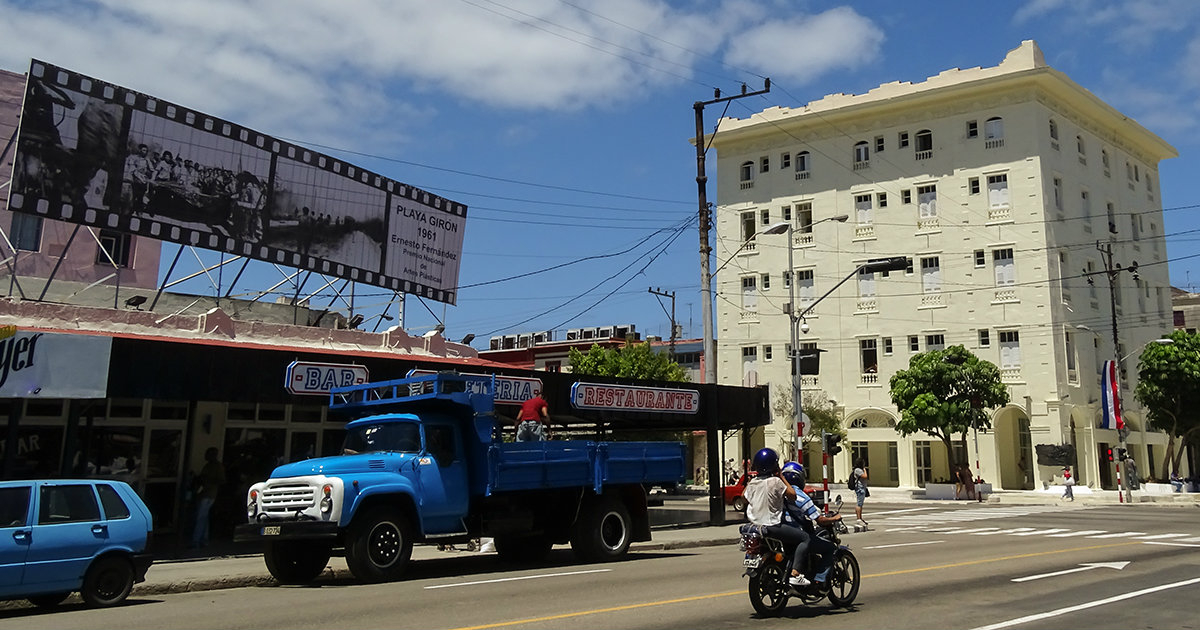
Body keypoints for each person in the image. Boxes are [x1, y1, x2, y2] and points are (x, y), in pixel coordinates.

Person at [742, 448, 810, 588]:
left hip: (755, 527)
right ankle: (795, 574)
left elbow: (743, 497)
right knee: (804, 538)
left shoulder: (754, 483)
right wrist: (781, 476)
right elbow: (792, 495)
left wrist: (752, 482)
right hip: (772, 526)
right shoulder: (775, 482)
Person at [781, 461, 841, 588]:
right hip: (795, 533)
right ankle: (819, 580)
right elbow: (819, 520)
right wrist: (834, 518)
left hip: (780, 532)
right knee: (830, 548)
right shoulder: (799, 495)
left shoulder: (779, 492)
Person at [191, 447, 225, 548]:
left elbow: (222, 480)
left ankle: (195, 541)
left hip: (209, 495)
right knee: (204, 518)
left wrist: (209, 481)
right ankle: (204, 540)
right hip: (203, 493)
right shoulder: (207, 466)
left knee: (201, 517)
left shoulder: (218, 466)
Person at [850, 458, 869, 527]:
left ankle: (860, 518)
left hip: (862, 488)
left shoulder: (859, 470)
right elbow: (865, 476)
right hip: (860, 488)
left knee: (860, 503)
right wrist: (864, 469)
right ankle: (858, 518)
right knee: (859, 503)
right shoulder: (858, 470)